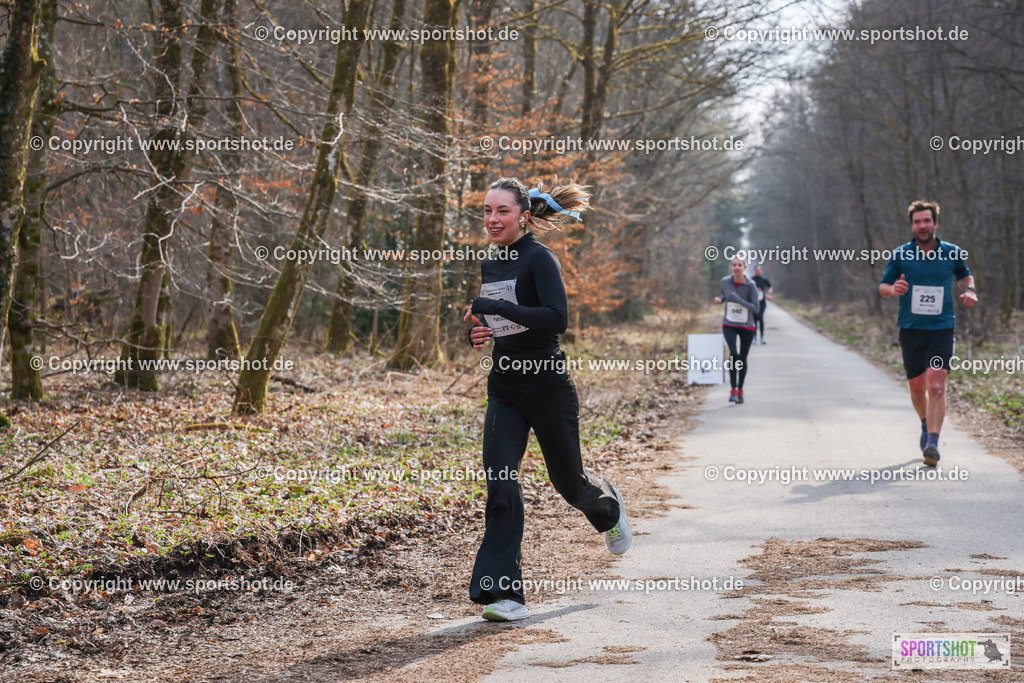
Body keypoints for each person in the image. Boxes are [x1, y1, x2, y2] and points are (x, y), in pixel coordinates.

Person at [462, 177, 632, 622]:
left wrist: (497, 309)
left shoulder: (540, 259)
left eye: (501, 211)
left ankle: (608, 507)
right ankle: (506, 595)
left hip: (548, 385)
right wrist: (478, 331)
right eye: (486, 210)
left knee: (568, 482)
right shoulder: (492, 265)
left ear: (523, 215)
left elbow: (556, 320)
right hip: (505, 387)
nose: (492, 219)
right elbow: (493, 323)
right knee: (500, 480)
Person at [878, 200, 977, 466]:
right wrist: (893, 290)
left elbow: (965, 276)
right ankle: (925, 423)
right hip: (910, 330)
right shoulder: (901, 254)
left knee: (936, 385)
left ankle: (932, 442)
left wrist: (969, 290)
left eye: (927, 221)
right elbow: (883, 286)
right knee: (917, 389)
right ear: (912, 225)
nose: (922, 226)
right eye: (917, 222)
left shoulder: (952, 252)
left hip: (941, 329)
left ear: (935, 223)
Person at [715, 257, 760, 404]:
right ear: (731, 267)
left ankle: (740, 390)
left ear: (744, 267)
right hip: (729, 323)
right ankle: (733, 389)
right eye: (734, 265)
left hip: (747, 325)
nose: (736, 267)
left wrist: (738, 299)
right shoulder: (725, 282)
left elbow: (756, 308)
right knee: (734, 355)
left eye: (739, 265)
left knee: (743, 358)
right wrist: (720, 299)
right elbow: (725, 295)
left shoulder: (751, 285)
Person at [751, 265, 773, 344]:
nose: (758, 271)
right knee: (754, 319)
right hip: (754, 303)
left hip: (762, 303)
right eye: (757, 270)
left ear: (761, 271)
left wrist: (769, 294)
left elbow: (770, 287)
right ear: (754, 271)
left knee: (760, 317)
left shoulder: (764, 280)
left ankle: (762, 337)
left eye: (759, 270)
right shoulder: (751, 280)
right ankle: (754, 337)